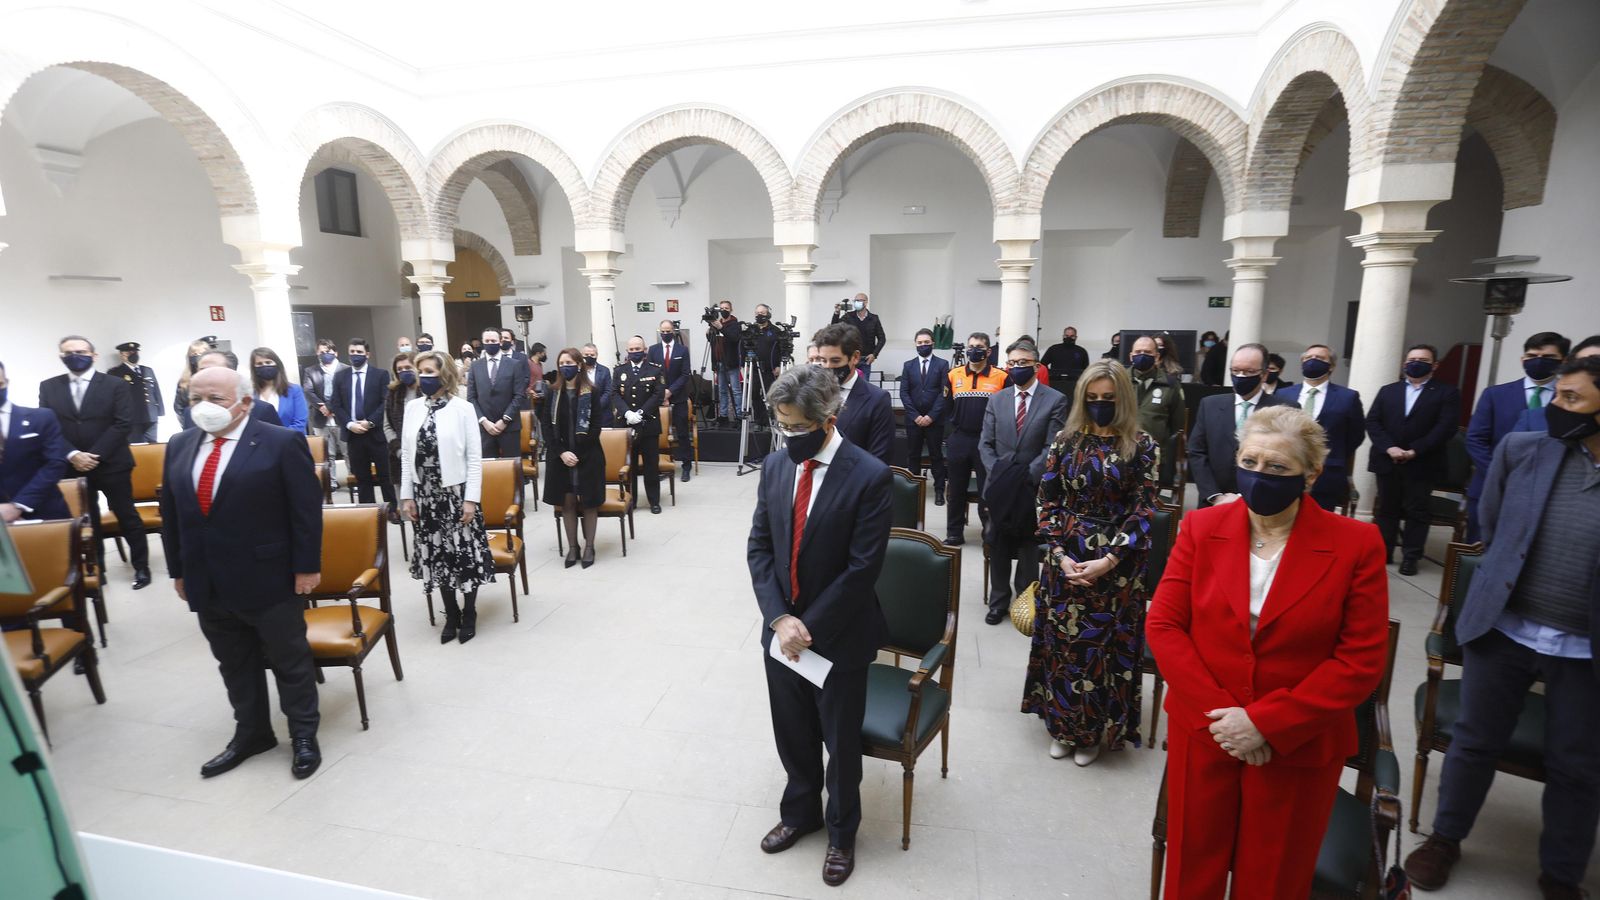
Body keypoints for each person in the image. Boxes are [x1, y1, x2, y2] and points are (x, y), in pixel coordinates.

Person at [1146, 404, 1390, 899]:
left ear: (1311, 475)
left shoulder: (1357, 544)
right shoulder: (1202, 527)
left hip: (1297, 742)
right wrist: (1225, 718)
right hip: (1206, 729)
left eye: (1277, 467)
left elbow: (1360, 661)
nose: (1259, 476)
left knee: (1273, 878)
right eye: (1250, 462)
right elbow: (1165, 625)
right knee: (1193, 868)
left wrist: (1266, 723)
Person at [1403, 356, 1600, 900]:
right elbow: (1491, 525)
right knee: (1473, 741)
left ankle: (1561, 875)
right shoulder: (1524, 450)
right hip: (1506, 628)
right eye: (1557, 394)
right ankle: (1444, 839)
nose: (1556, 407)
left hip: (1584, 648)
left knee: (1577, 765)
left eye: (1572, 399)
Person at [747, 365, 892, 888]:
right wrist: (779, 618)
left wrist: (805, 628)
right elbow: (760, 547)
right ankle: (800, 813)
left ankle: (841, 833)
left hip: (838, 636)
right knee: (792, 733)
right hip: (782, 633)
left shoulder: (870, 475)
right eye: (781, 425)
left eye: (797, 427)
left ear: (828, 420)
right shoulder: (774, 466)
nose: (788, 436)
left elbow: (862, 569)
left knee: (840, 742)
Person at [159, 366, 324, 780]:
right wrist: (178, 569)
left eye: (215, 399)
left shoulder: (280, 442)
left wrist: (306, 567)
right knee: (233, 663)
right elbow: (172, 516)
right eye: (195, 398)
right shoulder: (179, 444)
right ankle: (252, 733)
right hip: (207, 578)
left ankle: (303, 735)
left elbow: (305, 512)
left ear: (245, 402)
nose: (203, 407)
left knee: (289, 661)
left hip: (268, 576)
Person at [1025, 359, 1158, 763]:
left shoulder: (1142, 446)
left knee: (1102, 650)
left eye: (1109, 398)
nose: (1100, 404)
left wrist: (1110, 559)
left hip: (1115, 565)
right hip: (1065, 557)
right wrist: (1059, 554)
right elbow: (1047, 500)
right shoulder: (1065, 441)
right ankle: (1062, 726)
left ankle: (1091, 734)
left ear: (1124, 399)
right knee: (1063, 646)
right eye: (1093, 397)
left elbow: (1144, 509)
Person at [38, 335, 151, 589]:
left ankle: (141, 567)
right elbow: (49, 426)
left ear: (94, 355)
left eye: (80, 351)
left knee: (126, 515)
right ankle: (98, 569)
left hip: (112, 464)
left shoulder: (115, 384)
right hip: (72, 466)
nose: (75, 356)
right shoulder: (49, 386)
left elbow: (123, 423)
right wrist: (73, 455)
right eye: (68, 353)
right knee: (88, 521)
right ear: (61, 356)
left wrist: (94, 455)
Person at [399, 351, 495, 644]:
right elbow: (406, 455)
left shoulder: (463, 408)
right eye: (422, 372)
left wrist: (471, 499)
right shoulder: (412, 408)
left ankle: (469, 612)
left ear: (445, 375)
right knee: (438, 555)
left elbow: (474, 459)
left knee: (463, 554)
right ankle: (451, 614)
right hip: (425, 495)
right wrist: (407, 496)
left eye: (430, 371)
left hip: (456, 493)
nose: (424, 377)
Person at [980, 339, 1068, 624]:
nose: (1016, 367)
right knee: (999, 543)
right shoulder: (997, 399)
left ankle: (1025, 601)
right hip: (1000, 485)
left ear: (1036, 366)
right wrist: (1000, 475)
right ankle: (998, 602)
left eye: (1023, 363)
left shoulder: (1055, 400)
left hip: (1033, 485)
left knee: (1028, 545)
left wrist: (1027, 476)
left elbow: (1052, 446)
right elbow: (985, 444)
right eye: (1012, 363)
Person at [1364, 343, 1461, 576]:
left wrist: (1414, 450)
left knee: (1417, 511)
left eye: (1423, 361)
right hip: (1387, 459)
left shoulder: (1446, 393)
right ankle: (1384, 552)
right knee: (1387, 509)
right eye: (1411, 360)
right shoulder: (1388, 390)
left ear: (1434, 365)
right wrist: (1390, 447)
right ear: (1404, 364)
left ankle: (1411, 557)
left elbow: (1445, 428)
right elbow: (1373, 422)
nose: (1416, 364)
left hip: (1422, 462)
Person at [1464, 330, 1569, 542]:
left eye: (1548, 357)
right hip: (1491, 486)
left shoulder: (1569, 399)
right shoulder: (1495, 395)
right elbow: (1475, 439)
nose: (1538, 361)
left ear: (1563, 361)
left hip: (1546, 493)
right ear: (1523, 359)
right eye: (1532, 356)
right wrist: (1499, 473)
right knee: (1478, 549)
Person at [1186, 343, 1291, 507]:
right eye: (1235, 371)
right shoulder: (1210, 405)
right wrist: (1214, 496)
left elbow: (1285, 459)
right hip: (1214, 502)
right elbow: (1196, 451)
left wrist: (1243, 498)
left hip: (1261, 502)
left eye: (1249, 372)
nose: (1241, 376)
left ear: (1264, 375)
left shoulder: (1284, 410)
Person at [1277, 344, 1365, 511]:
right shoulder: (1283, 394)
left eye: (1320, 358)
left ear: (1331, 366)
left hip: (1328, 471)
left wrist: (1335, 452)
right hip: (1287, 467)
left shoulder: (1348, 397)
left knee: (1320, 518)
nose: (1313, 361)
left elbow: (1356, 434)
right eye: (1308, 358)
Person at [542, 348, 606, 568]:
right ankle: (572, 547)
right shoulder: (553, 392)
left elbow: (596, 426)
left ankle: (589, 547)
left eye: (569, 362)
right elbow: (546, 427)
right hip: (561, 458)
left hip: (587, 456)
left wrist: (577, 454)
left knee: (588, 502)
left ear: (579, 365)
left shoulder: (592, 391)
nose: (565, 367)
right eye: (561, 363)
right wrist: (562, 452)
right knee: (567, 502)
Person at [945, 332, 1007, 545]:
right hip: (960, 439)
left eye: (979, 347)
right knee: (956, 490)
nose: (974, 351)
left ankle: (988, 533)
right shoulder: (953, 375)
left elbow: (1006, 410)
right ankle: (954, 533)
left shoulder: (1001, 377)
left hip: (987, 442)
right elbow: (946, 408)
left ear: (988, 351)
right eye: (970, 347)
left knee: (986, 491)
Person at [0, 360, 72, 522]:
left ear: (7, 382)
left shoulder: (41, 418)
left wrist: (19, 505)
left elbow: (55, 463)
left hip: (43, 511)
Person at [813, 323, 893, 466]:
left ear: (855, 357)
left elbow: (879, 461)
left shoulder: (877, 400)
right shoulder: (811, 393)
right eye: (823, 360)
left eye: (835, 360)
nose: (828, 367)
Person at [329, 338, 395, 507]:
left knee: (385, 475)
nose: (355, 355)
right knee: (362, 477)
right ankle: (369, 512)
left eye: (359, 352)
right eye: (352, 352)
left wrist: (370, 422)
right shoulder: (340, 377)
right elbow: (336, 404)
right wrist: (350, 424)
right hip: (353, 435)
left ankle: (392, 511)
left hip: (376, 433)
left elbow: (385, 402)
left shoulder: (380, 375)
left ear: (367, 354)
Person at [613, 335, 666, 514]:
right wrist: (627, 413)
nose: (635, 352)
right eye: (632, 349)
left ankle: (654, 501)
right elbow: (614, 394)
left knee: (651, 465)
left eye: (638, 349)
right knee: (630, 466)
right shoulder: (619, 370)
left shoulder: (655, 370)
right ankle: (632, 500)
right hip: (626, 425)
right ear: (627, 351)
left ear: (645, 350)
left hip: (648, 424)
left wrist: (641, 413)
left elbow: (658, 395)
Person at [899, 328, 950, 505]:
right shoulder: (908, 365)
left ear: (932, 343)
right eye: (920, 343)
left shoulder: (942, 364)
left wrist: (931, 416)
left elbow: (944, 393)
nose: (923, 345)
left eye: (926, 342)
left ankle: (939, 491)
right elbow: (904, 393)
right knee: (913, 455)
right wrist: (915, 416)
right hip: (913, 420)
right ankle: (913, 492)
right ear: (915, 344)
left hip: (934, 420)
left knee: (936, 456)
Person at [1128, 335, 1185, 488]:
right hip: (1121, 452)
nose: (1142, 355)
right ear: (1131, 356)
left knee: (1149, 498)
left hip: (1156, 457)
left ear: (1157, 356)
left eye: (1147, 352)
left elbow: (1177, 423)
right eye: (1138, 352)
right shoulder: (1118, 381)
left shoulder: (1171, 384)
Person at [467, 326, 530, 459]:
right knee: (489, 469)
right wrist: (483, 421)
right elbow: (471, 397)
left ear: (500, 341)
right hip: (485, 428)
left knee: (512, 467)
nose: (490, 343)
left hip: (509, 427)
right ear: (483, 342)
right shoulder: (475, 366)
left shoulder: (515, 364)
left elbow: (519, 395)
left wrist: (505, 420)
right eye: (487, 341)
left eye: (493, 341)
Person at [196, 351, 284, 427]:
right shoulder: (193, 412)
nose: (206, 375)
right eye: (202, 370)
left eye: (214, 370)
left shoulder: (261, 410)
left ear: (232, 372)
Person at [652, 321, 692, 482]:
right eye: (663, 331)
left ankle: (686, 467)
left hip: (679, 397)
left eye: (668, 331)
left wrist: (670, 391)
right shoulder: (653, 350)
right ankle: (661, 466)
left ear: (673, 331)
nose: (665, 333)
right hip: (659, 399)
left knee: (682, 433)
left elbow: (685, 374)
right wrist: (662, 393)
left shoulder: (682, 350)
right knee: (659, 434)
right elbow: (652, 373)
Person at [107, 341, 163, 442]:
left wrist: (160, 410)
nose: (133, 355)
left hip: (151, 415)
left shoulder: (147, 370)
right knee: (135, 446)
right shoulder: (115, 372)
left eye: (135, 352)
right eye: (129, 353)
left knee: (153, 446)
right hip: (131, 417)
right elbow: (112, 397)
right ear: (122, 355)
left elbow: (156, 391)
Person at [302, 337, 346, 462]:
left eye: (328, 351)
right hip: (320, 420)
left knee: (348, 453)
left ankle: (352, 475)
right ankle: (330, 477)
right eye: (321, 352)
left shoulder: (346, 370)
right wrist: (322, 407)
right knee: (326, 457)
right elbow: (308, 391)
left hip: (342, 419)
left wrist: (331, 407)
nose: (325, 354)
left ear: (335, 353)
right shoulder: (310, 371)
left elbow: (345, 392)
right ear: (317, 353)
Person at [384, 352, 420, 501]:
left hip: (424, 456)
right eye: (399, 369)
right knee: (406, 503)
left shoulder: (426, 390)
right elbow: (387, 426)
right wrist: (399, 450)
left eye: (407, 367)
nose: (403, 371)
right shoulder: (393, 392)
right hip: (399, 457)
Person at [248, 347, 307, 433]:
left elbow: (300, 423)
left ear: (277, 364)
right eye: (259, 364)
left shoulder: (294, 390)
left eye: (268, 362)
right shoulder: (250, 394)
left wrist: (277, 437)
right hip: (260, 440)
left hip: (291, 439)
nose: (264, 366)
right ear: (254, 368)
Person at [830, 293, 885, 382]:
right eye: (855, 301)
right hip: (851, 357)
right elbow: (835, 328)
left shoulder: (873, 318)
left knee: (863, 384)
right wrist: (837, 313)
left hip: (866, 358)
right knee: (848, 382)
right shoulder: (849, 316)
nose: (856, 303)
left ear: (866, 302)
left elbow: (882, 338)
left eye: (859, 300)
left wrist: (874, 354)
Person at [708, 300, 742, 424]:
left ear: (731, 310)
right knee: (721, 390)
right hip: (719, 362)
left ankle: (739, 415)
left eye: (726, 308)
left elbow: (734, 338)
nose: (724, 310)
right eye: (721, 308)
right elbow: (712, 341)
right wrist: (710, 330)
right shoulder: (717, 323)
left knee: (736, 390)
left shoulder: (735, 324)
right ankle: (723, 415)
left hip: (731, 362)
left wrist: (721, 328)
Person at [173, 337, 217, 431]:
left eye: (201, 354)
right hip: (192, 426)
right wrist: (187, 423)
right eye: (194, 354)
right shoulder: (184, 381)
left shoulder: (217, 377)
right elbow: (178, 407)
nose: (197, 357)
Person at [1040, 326, 1090, 400]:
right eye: (1066, 335)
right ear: (1063, 336)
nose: (1069, 338)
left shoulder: (1081, 351)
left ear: (1076, 337)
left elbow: (1086, 370)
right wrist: (1049, 374)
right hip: (1055, 383)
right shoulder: (1053, 349)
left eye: (1072, 336)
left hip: (1075, 385)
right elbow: (1042, 364)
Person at [581, 343, 613, 427]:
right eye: (586, 355)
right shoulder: (578, 371)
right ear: (581, 355)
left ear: (597, 355)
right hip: (582, 414)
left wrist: (596, 406)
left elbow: (608, 391)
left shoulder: (605, 371)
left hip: (602, 415)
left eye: (592, 355)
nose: (589, 357)